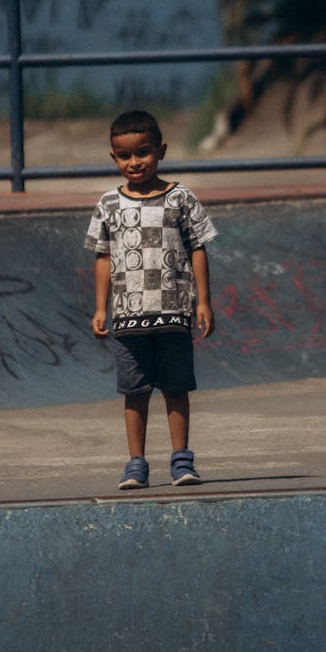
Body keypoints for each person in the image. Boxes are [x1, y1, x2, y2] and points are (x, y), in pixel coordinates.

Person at [84, 109, 217, 490]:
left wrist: (203, 301)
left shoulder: (181, 198)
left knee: (176, 387)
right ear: (113, 158)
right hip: (127, 316)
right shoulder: (109, 204)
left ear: (161, 150)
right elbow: (103, 257)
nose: (134, 162)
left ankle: (181, 461)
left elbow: (198, 247)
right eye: (124, 156)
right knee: (134, 392)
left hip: (175, 310)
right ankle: (136, 464)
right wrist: (99, 306)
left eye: (143, 152)